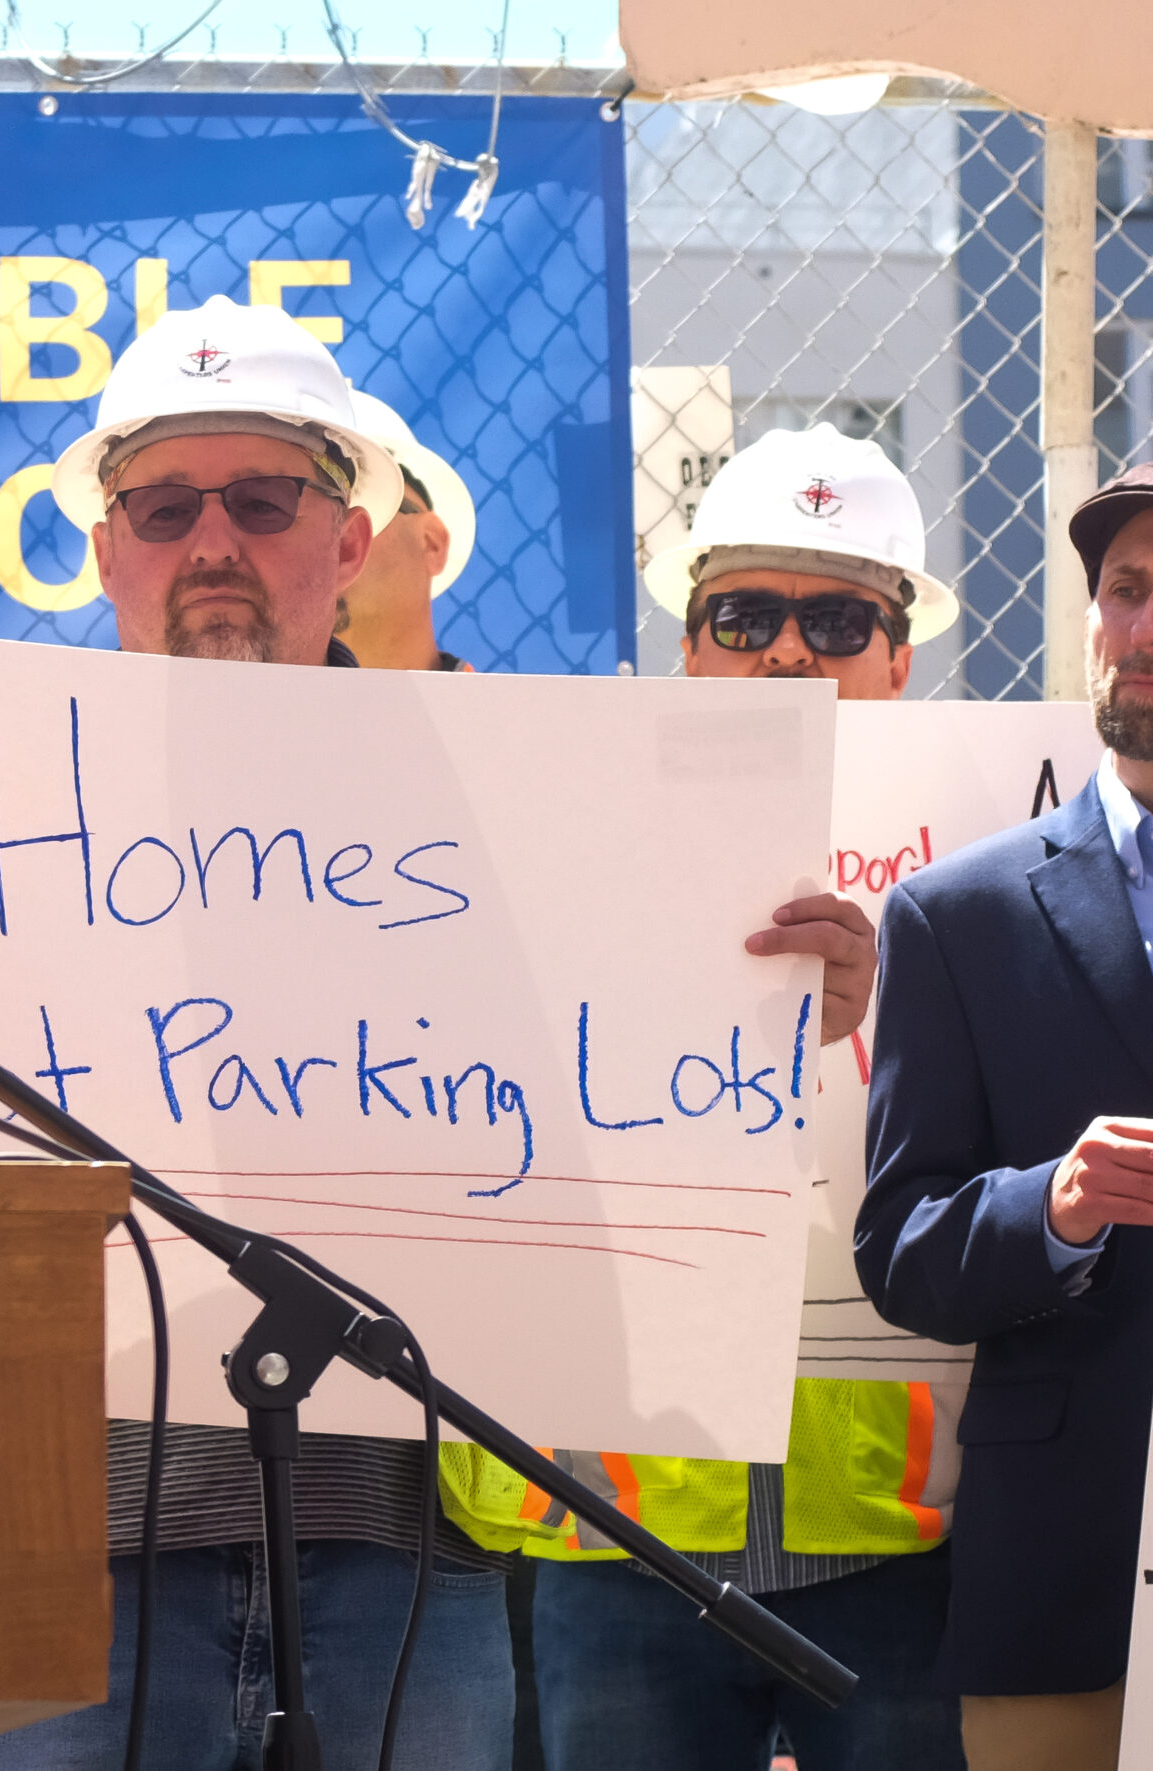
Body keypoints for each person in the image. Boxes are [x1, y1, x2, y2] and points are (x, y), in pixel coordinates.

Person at [0, 296, 873, 1771]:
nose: (210, 541)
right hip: (66, 1537)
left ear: (346, 544)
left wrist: (792, 1015)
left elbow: (639, 1117)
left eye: (261, 499)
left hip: (404, 1547)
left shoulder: (521, 799)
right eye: (163, 505)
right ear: (107, 550)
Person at [518, 425, 966, 1771]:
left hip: (906, 1533)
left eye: (837, 618)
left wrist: (872, 1022)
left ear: (900, 655)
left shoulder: (1003, 853)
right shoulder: (546, 843)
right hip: (619, 1524)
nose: (788, 652)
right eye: (747, 614)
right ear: (692, 645)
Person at [855, 460, 1153, 1771]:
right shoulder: (957, 914)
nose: (1145, 627)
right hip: (1061, 1577)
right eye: (1129, 591)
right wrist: (1057, 1205)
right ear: (1093, 620)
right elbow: (902, 1244)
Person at [333, 389, 479, 672]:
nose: (322, 535)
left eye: (356, 503)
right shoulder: (239, 711)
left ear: (431, 543)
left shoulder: (506, 714)